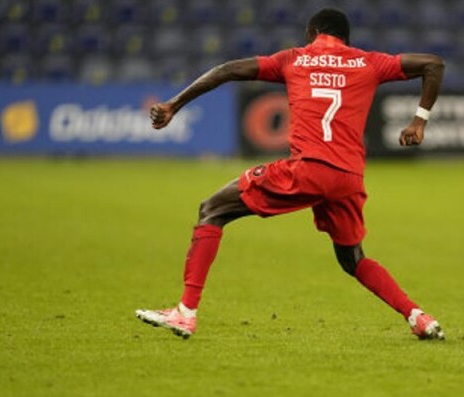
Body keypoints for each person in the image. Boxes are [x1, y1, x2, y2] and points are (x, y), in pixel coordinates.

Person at [135, 8, 446, 340]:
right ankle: (418, 316)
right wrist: (419, 121)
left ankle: (185, 312)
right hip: (348, 179)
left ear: (311, 33)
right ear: (346, 38)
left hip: (308, 169)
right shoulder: (367, 62)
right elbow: (433, 64)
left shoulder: (294, 59)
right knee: (352, 258)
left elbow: (228, 70)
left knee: (211, 209)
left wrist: (174, 105)